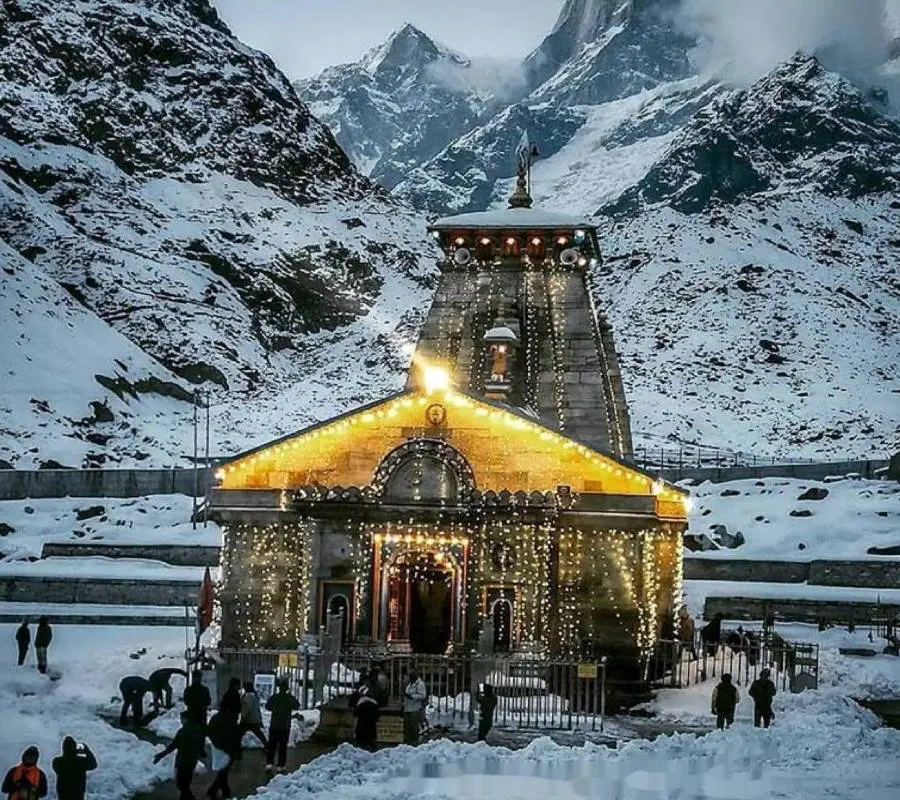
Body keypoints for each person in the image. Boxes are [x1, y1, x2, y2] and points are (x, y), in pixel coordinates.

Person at [153, 713, 206, 800]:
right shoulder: (198, 729)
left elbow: (174, 745)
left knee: (182, 785)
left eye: (182, 719)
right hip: (192, 760)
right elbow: (200, 744)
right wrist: (202, 753)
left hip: (183, 760)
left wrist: (161, 755)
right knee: (186, 783)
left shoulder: (183, 731)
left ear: (186, 719)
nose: (181, 721)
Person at [206, 708, 241, 799]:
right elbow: (235, 736)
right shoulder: (231, 719)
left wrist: (216, 743)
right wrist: (236, 752)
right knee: (223, 771)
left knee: (222, 771)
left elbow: (209, 731)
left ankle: (220, 790)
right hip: (228, 749)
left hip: (218, 747)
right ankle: (217, 790)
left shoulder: (216, 717)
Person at [265, 679, 299, 772]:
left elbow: (267, 707)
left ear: (279, 688)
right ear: (287, 688)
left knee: (272, 745)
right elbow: (297, 705)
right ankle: (281, 765)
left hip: (274, 724)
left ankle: (269, 763)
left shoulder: (274, 697)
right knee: (282, 746)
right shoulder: (289, 698)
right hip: (285, 725)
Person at [350, 673, 383, 752]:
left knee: (361, 743)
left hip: (362, 724)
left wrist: (354, 731)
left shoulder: (359, 691)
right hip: (371, 718)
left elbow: (356, 716)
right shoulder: (375, 689)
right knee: (370, 741)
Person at [402, 669, 427, 746]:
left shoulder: (420, 684)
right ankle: (408, 742)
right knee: (407, 727)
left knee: (414, 727)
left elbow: (423, 696)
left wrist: (412, 696)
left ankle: (414, 743)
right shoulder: (409, 684)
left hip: (415, 708)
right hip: (407, 708)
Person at [239, 682, 267, 748]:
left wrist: (243, 714)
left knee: (239, 733)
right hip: (254, 719)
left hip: (248, 719)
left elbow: (248, 707)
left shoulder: (248, 696)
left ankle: (236, 747)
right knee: (259, 733)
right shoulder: (254, 695)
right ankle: (267, 746)